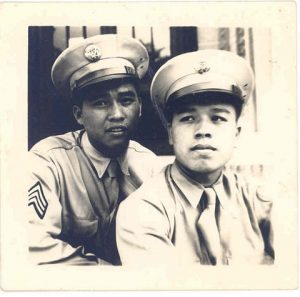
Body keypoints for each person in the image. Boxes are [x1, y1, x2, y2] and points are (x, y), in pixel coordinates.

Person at [116, 49, 274, 265]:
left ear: (236, 134)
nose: (203, 130)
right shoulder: (141, 210)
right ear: (171, 133)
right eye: (188, 118)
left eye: (217, 118)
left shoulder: (258, 198)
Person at [28, 34, 161, 265]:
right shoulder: (48, 162)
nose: (117, 114)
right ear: (79, 114)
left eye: (126, 100)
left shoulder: (150, 168)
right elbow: (30, 245)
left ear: (140, 107)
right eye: (101, 103)